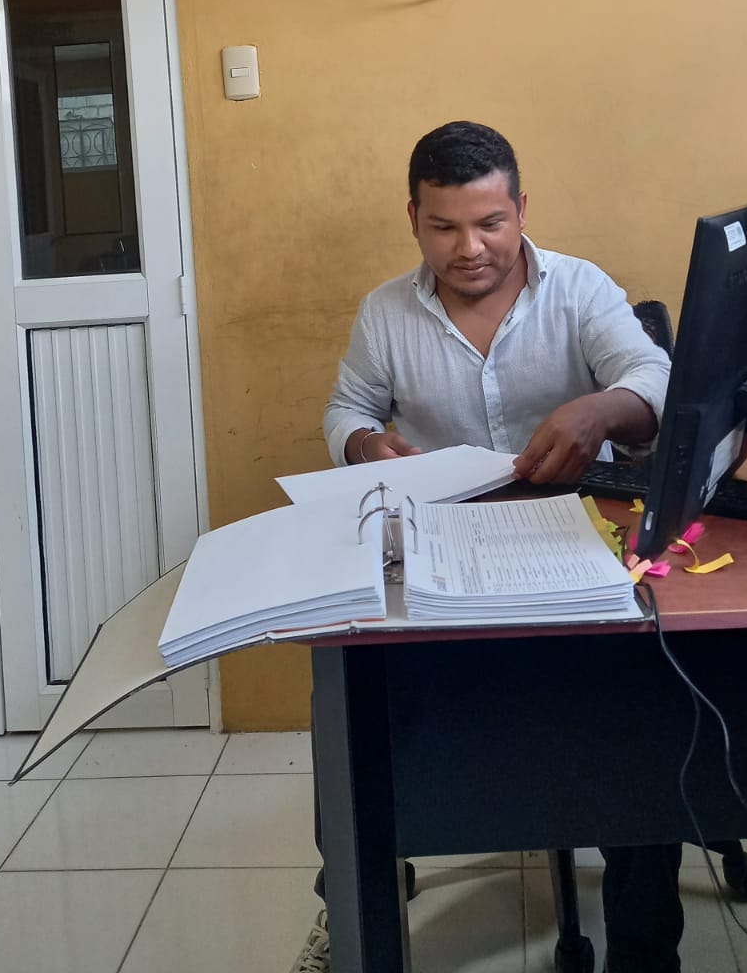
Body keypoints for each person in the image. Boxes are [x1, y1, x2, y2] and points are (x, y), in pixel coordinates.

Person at [290, 121, 685, 973]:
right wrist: (362, 443)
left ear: (521, 210)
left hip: (573, 542)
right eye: (443, 227)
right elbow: (347, 408)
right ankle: (352, 905)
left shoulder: (578, 289)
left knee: (639, 727)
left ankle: (646, 949)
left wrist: (601, 410)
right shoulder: (387, 311)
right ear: (413, 219)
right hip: (446, 554)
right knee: (354, 713)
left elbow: (654, 380)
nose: (469, 248)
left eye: (490, 223)